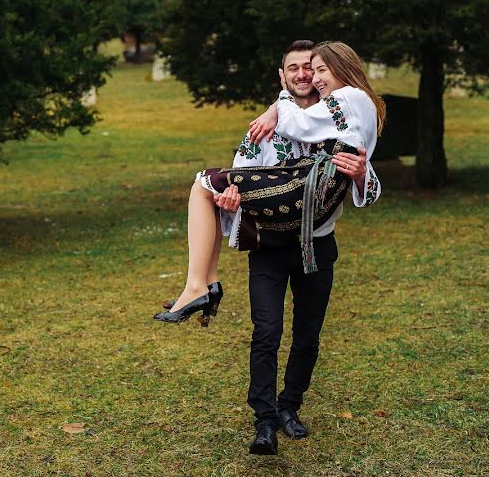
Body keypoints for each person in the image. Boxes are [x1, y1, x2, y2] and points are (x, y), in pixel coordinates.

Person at [154, 40, 385, 455]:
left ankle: (288, 407)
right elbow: (243, 174)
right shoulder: (268, 126)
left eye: (314, 69)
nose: (307, 76)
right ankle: (263, 421)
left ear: (334, 69)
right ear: (283, 76)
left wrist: (359, 172)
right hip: (270, 246)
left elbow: (366, 183)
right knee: (266, 333)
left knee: (307, 337)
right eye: (297, 69)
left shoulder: (337, 106)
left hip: (315, 245)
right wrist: (232, 199)